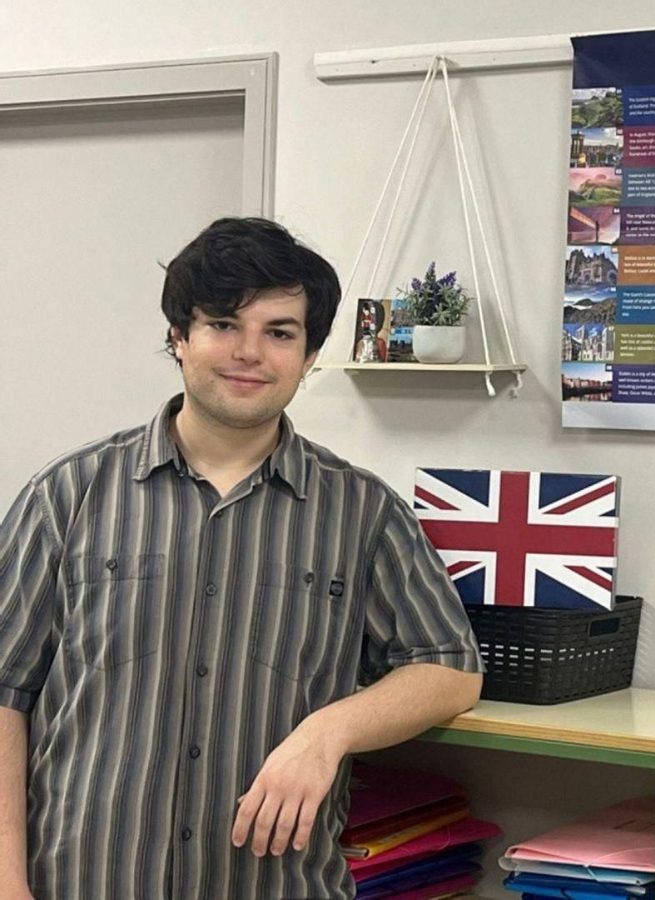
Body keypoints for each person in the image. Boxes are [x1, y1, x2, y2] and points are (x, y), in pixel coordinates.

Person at [0, 218, 485, 899]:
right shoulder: (69, 496)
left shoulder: (362, 513)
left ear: (310, 354)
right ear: (179, 337)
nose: (248, 352)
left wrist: (328, 732)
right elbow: (4, 691)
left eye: (279, 332)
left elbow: (450, 669)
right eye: (223, 324)